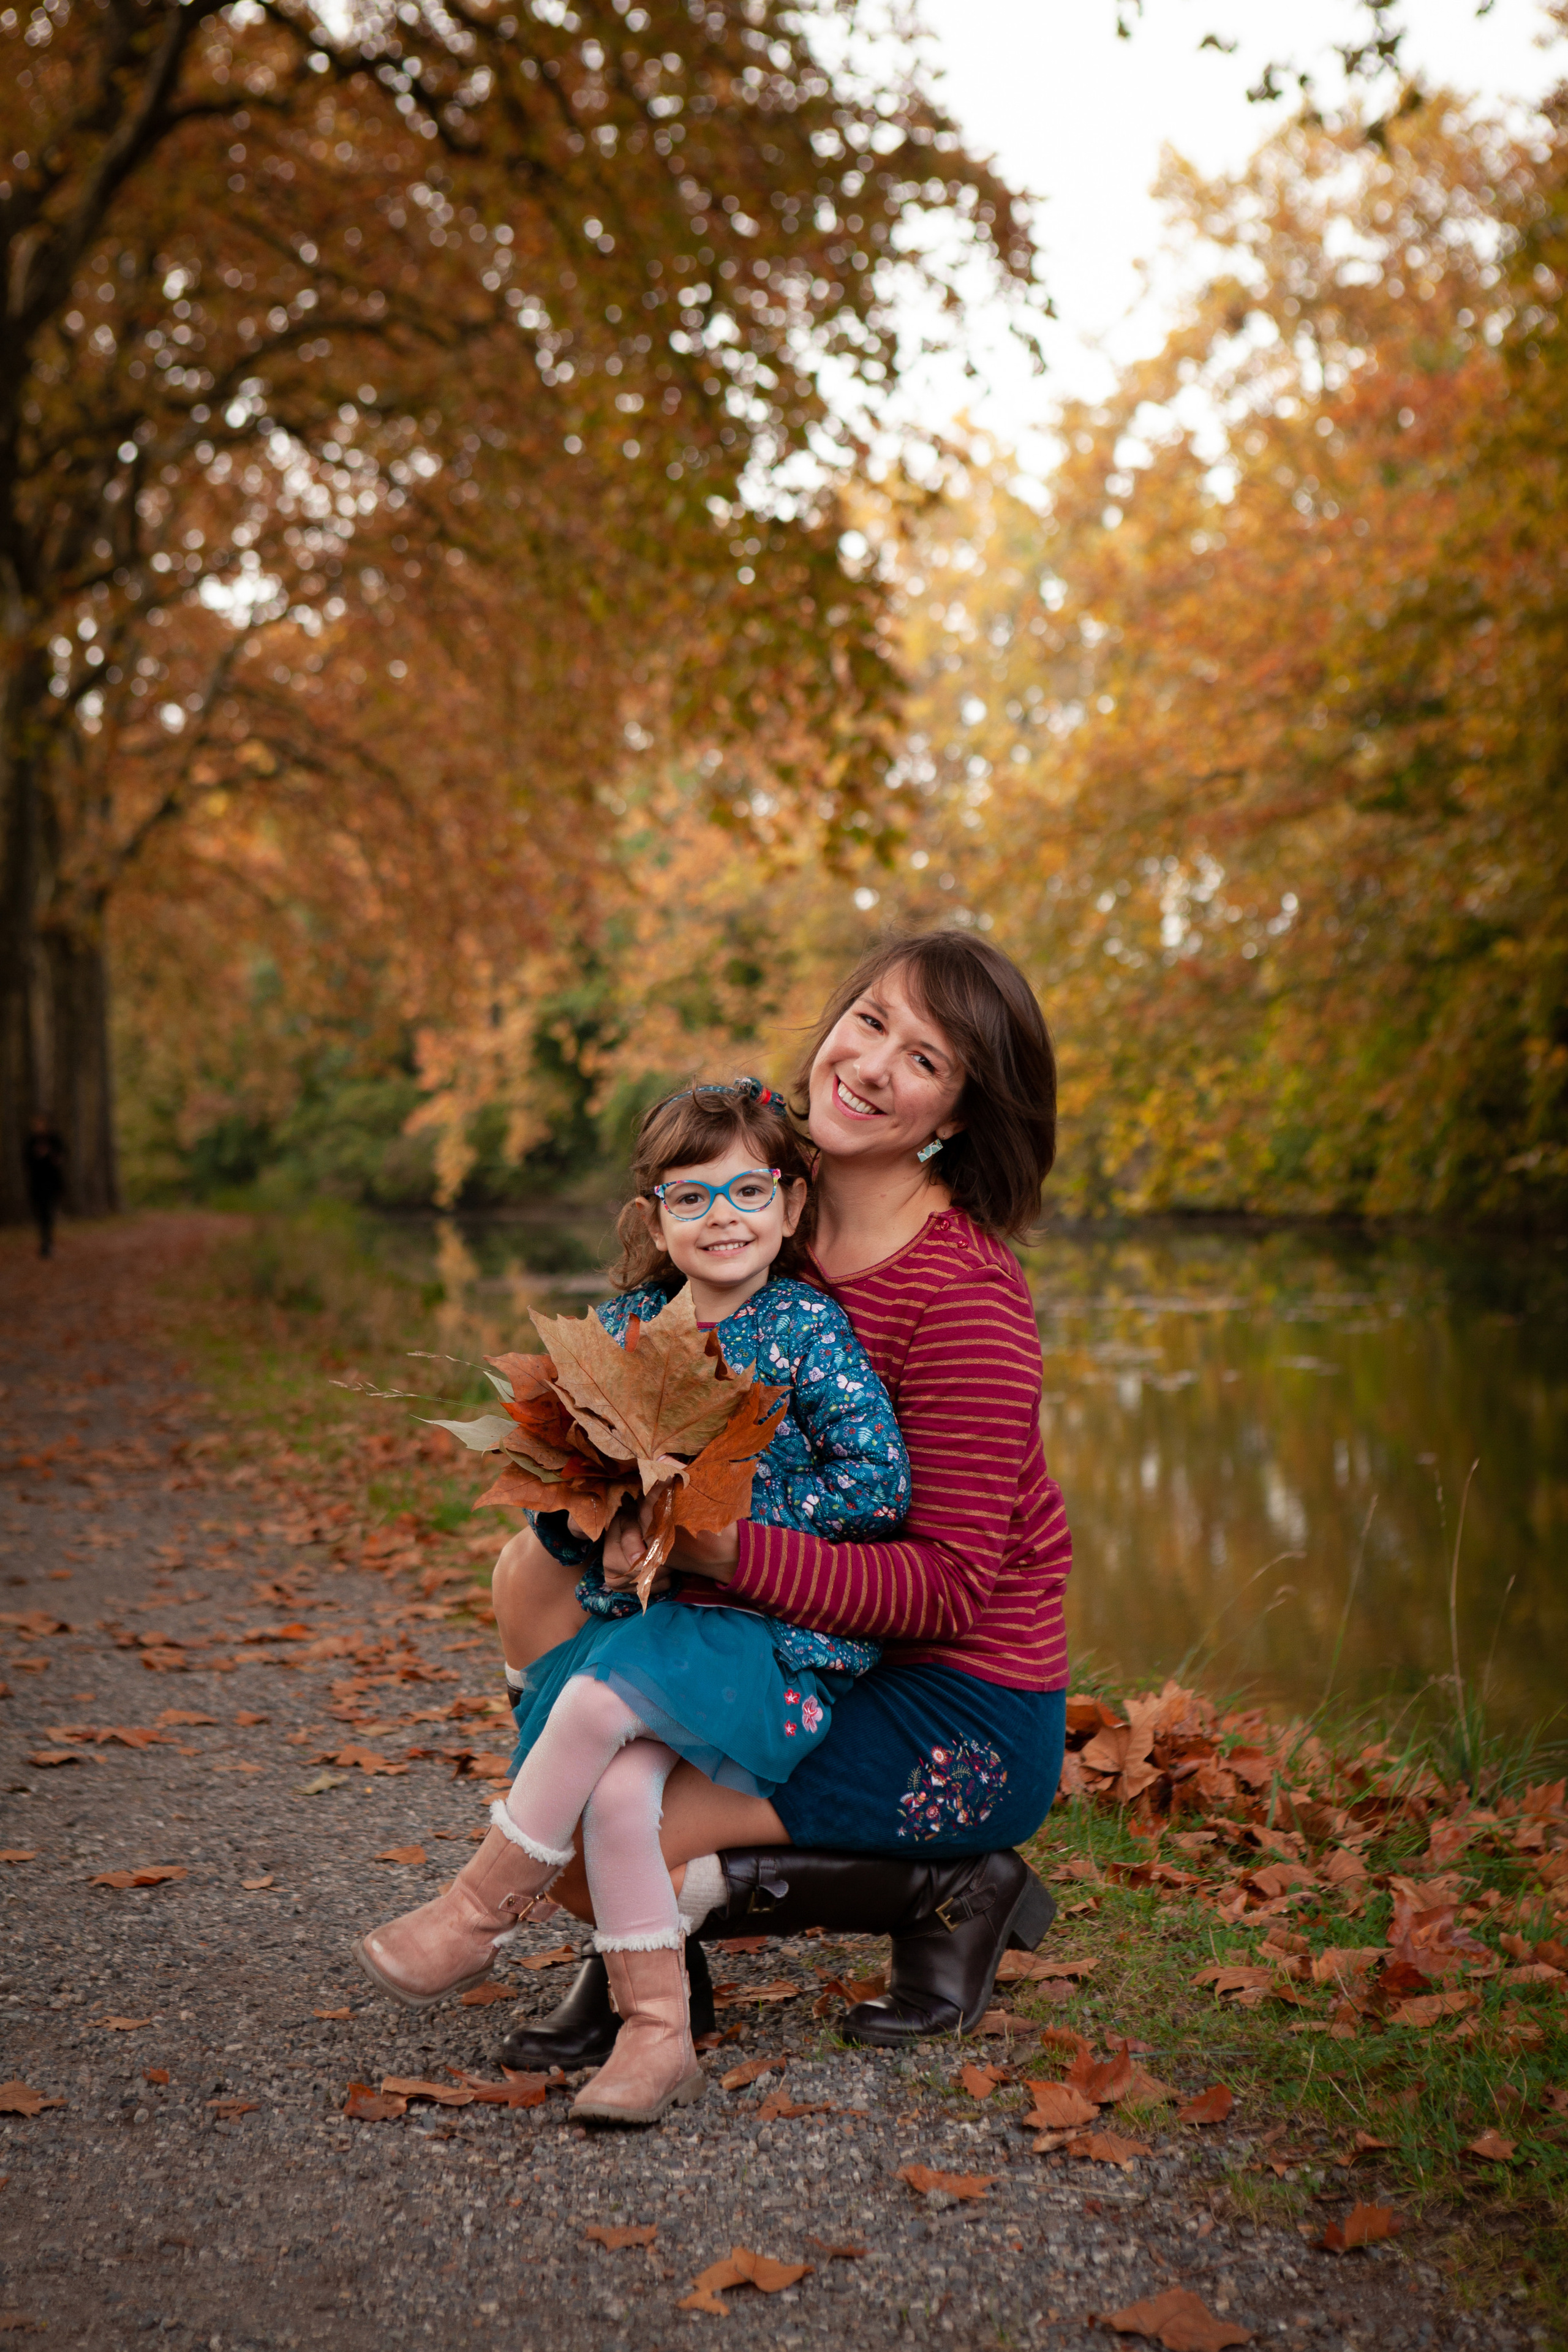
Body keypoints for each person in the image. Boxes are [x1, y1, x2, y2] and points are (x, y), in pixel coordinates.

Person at [491, 930, 1071, 2070]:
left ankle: (958, 1887)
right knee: (529, 1574)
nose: (874, 1064)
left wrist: (723, 1557)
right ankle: (648, 1946)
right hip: (783, 1642)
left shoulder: (967, 1300)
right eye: (870, 1020)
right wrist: (589, 1488)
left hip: (951, 1696)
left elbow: (955, 1586)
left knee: (571, 1845)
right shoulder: (761, 1219)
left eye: (926, 1059)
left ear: (954, 1111)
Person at [353, 1079, 911, 2124]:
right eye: (691, 1198)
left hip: (771, 1645)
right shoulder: (624, 1331)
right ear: (655, 1217)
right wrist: (597, 1528)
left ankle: (478, 1911)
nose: (723, 1218)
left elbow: (879, 1488)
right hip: (653, 1626)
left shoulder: (808, 1332)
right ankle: (657, 2034)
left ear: (791, 1207)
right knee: (618, 1800)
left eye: (749, 1191)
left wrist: (720, 1514)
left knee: (596, 1708)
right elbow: (568, 1495)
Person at [24, 1115, 66, 1259]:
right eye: (37, 1124)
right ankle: (45, 1243)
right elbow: (26, 1161)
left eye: (41, 1124)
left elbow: (61, 1157)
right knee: (40, 1214)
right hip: (37, 1184)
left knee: (49, 1212)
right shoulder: (31, 1141)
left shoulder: (54, 1139)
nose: (39, 1126)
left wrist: (50, 1155)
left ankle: (48, 1243)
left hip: (52, 1183)